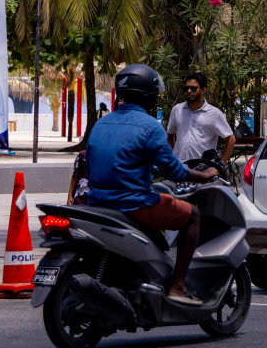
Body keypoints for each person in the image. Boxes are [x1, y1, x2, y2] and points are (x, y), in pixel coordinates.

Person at [86, 64, 217, 306]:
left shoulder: (101, 124)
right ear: (148, 95)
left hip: (97, 203)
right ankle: (178, 286)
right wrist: (203, 175)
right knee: (193, 215)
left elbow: (92, 162)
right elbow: (173, 170)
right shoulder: (149, 126)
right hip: (134, 204)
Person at [166, 72, 236, 165]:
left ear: (203, 90)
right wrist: (172, 158)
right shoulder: (177, 110)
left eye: (193, 88)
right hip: (180, 167)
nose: (189, 91)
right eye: (186, 88)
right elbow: (170, 135)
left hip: (203, 168)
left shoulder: (214, 114)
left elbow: (231, 139)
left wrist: (221, 165)